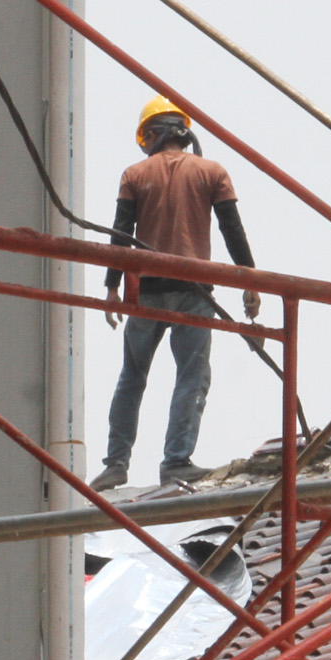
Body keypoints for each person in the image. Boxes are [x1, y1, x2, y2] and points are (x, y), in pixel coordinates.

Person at [89, 96, 260, 491]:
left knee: (131, 376)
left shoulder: (135, 174)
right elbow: (232, 229)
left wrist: (112, 286)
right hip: (193, 290)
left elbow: (121, 233)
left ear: (152, 134)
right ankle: (176, 462)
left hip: (145, 292)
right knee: (191, 375)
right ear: (182, 131)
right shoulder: (212, 171)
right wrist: (249, 281)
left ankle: (116, 463)